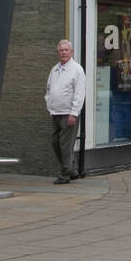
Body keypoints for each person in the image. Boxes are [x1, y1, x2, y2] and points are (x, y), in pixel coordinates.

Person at [44, 39, 86, 184]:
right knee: (55, 142)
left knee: (65, 145)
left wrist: (74, 113)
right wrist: (48, 102)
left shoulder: (77, 69)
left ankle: (65, 175)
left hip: (69, 114)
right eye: (61, 50)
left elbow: (79, 93)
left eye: (66, 50)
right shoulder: (54, 69)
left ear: (71, 52)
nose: (63, 52)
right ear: (57, 52)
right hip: (55, 112)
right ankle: (71, 169)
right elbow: (49, 89)